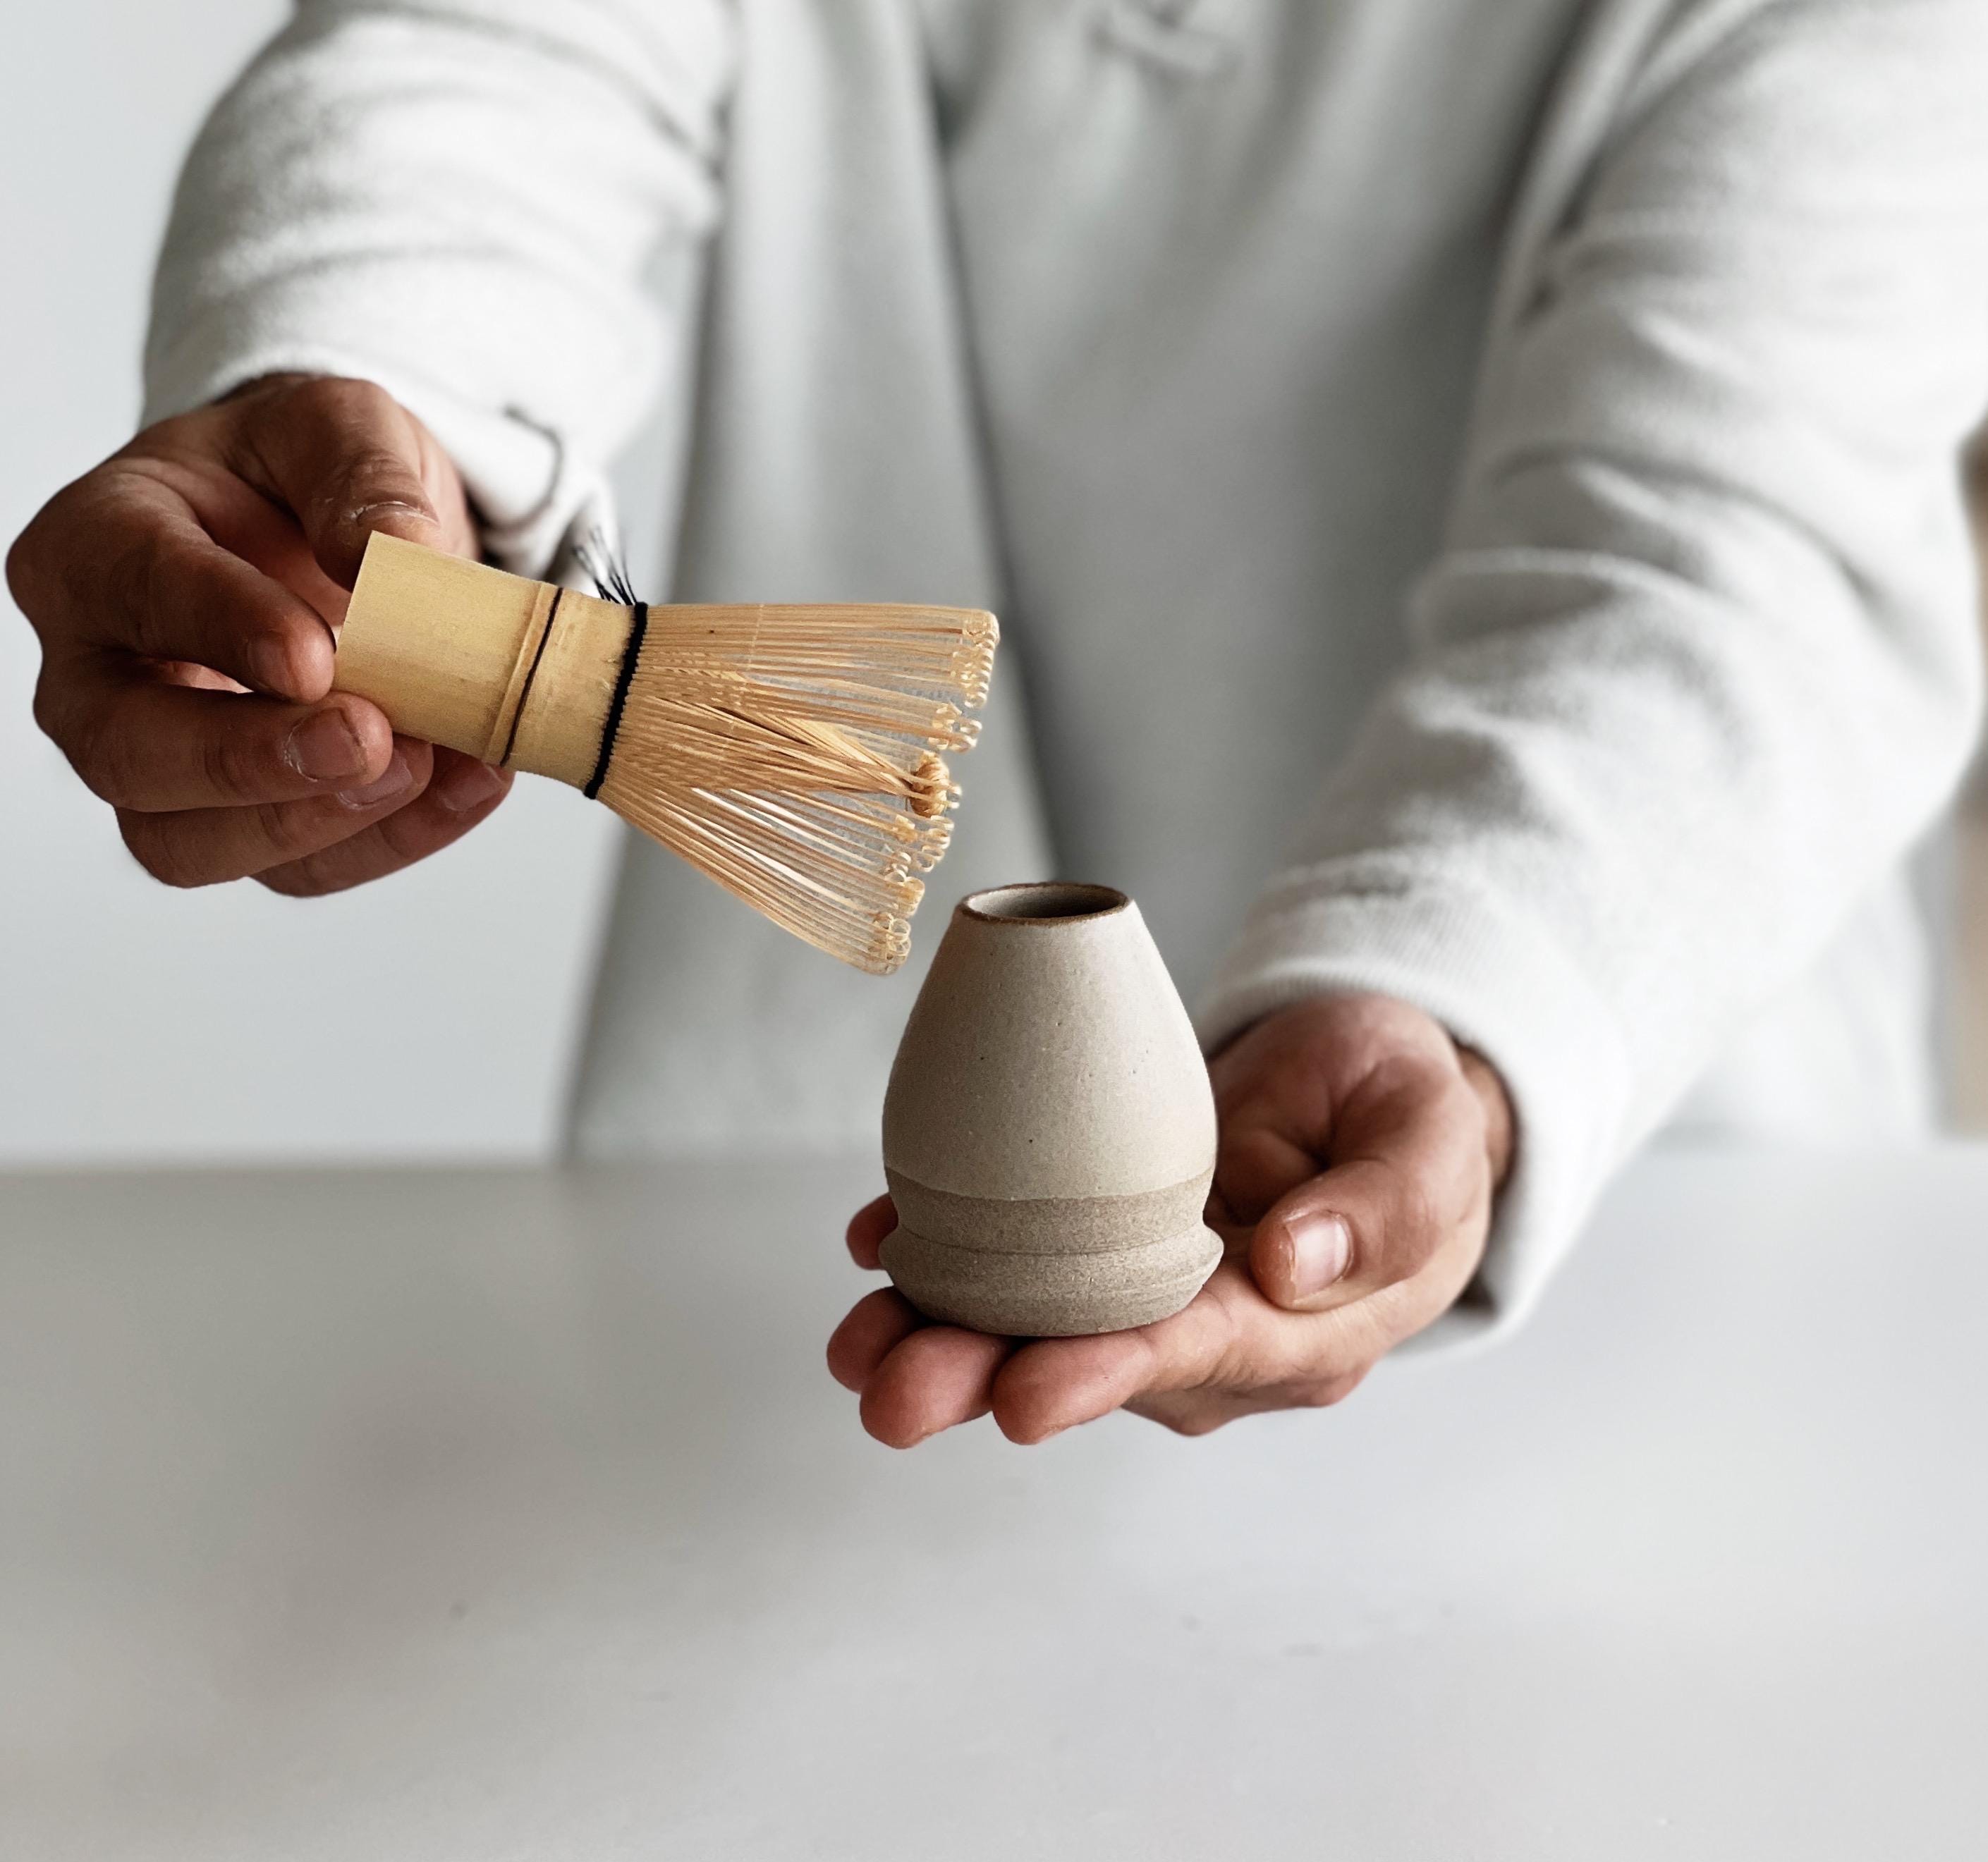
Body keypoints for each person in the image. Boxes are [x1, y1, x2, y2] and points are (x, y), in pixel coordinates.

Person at [11, 1, 1987, 1446]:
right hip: (751, 1307)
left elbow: (1728, 544)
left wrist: (1467, 996)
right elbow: (492, 59)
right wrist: (360, 368)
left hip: (1672, 1230)